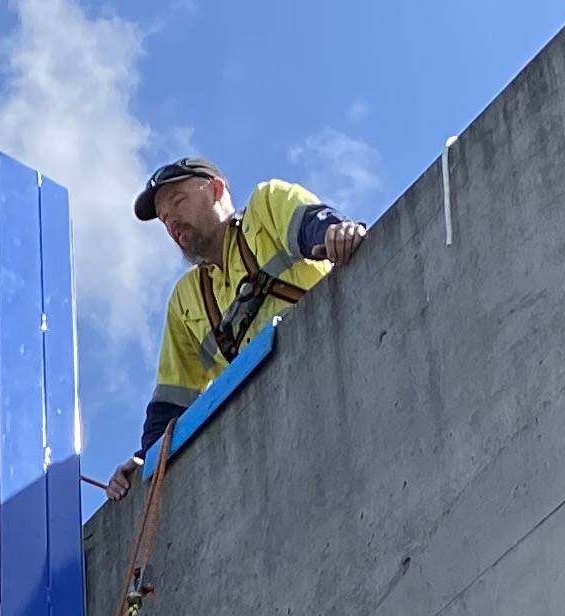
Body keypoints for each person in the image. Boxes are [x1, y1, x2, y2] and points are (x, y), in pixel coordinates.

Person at [108, 160, 371, 500]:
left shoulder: (266, 208)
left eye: (177, 201)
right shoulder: (186, 299)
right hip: (276, 433)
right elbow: (172, 403)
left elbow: (314, 224)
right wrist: (146, 460)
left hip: (342, 372)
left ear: (216, 189)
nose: (170, 220)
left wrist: (338, 234)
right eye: (163, 217)